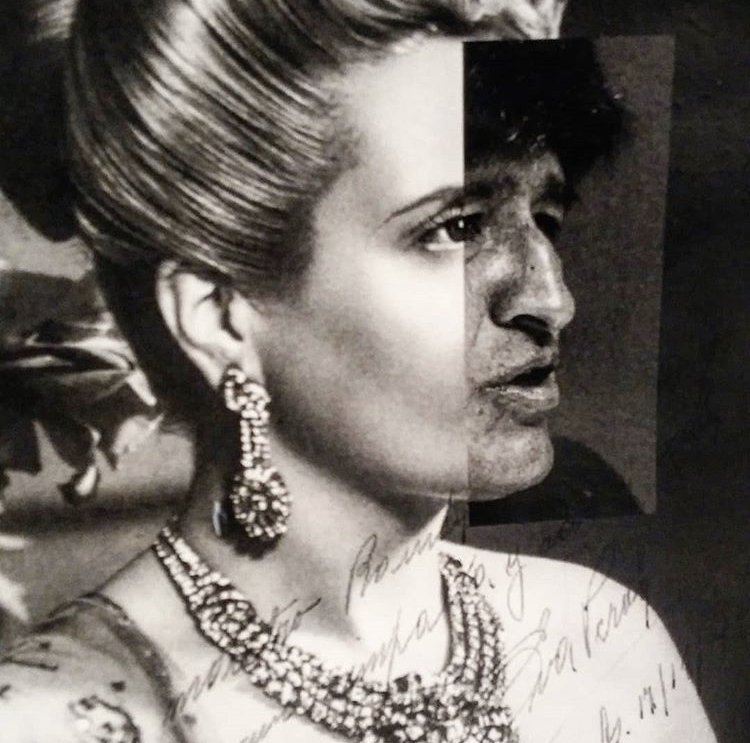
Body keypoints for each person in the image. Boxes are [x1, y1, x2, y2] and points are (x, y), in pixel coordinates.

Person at [0, 1, 716, 742]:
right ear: (217, 317)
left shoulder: (606, 641)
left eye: (546, 219)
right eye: (456, 228)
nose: (551, 300)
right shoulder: (48, 723)